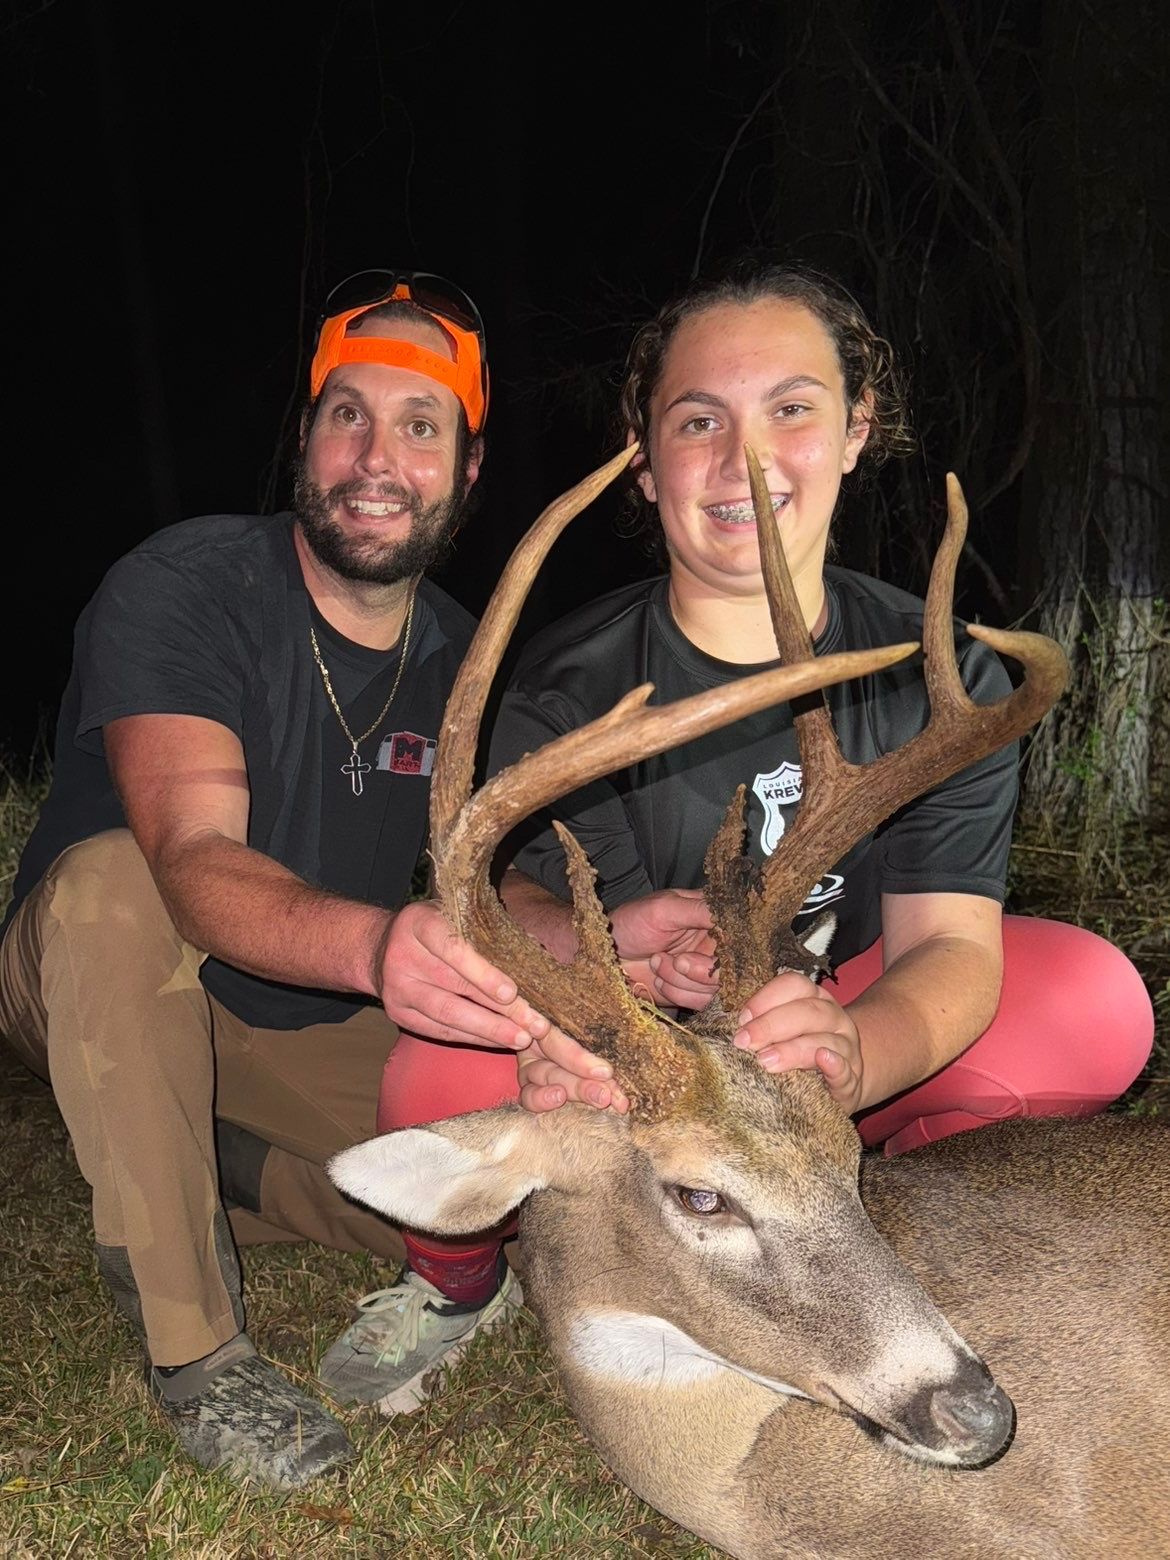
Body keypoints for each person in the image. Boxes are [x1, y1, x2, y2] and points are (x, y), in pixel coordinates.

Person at [319, 256, 1156, 1409]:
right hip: (651, 1080)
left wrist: (858, 1047)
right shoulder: (565, 687)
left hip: (832, 1054)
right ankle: (458, 1283)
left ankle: (863, 1220)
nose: (746, 460)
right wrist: (599, 949)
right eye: (698, 419)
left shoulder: (940, 678)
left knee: (1092, 1003)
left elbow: (950, 951)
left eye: (793, 411)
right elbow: (509, 901)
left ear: (857, 430)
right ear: (644, 450)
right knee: (431, 1077)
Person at [0, 268, 608, 1488]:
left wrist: (598, 945)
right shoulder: (187, 584)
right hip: (106, 966)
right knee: (116, 882)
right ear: (307, 436)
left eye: (420, 426)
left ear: (468, 471)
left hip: (301, 1015)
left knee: (513, 1188)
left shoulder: (467, 665)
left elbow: (495, 888)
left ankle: (222, 1163)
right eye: (347, 414)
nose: (375, 456)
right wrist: (385, 949)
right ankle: (197, 1353)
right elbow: (190, 863)